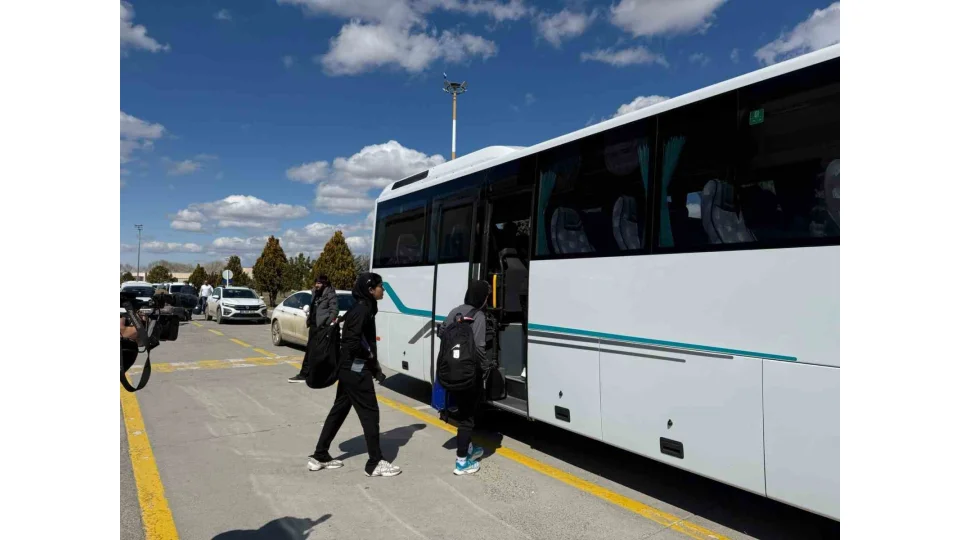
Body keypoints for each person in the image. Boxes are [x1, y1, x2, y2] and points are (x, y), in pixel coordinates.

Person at [308, 273, 401, 478]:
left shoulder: (363, 307)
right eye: (381, 286)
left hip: (349, 368)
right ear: (370, 290)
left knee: (339, 411)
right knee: (370, 414)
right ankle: (375, 462)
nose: (383, 290)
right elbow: (353, 342)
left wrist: (373, 367)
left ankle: (319, 455)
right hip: (355, 369)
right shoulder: (362, 309)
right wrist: (368, 360)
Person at [438, 279, 494, 475]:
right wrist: (485, 368)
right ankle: (462, 461)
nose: (487, 300)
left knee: (462, 411)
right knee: (467, 419)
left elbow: (441, 332)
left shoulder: (455, 311)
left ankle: (469, 448)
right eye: (487, 296)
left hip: (451, 370)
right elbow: (479, 348)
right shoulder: (479, 316)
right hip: (469, 374)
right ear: (482, 297)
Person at [289, 275, 339, 383]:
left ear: (325, 284)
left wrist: (325, 324)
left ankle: (309, 374)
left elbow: (334, 311)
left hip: (321, 328)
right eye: (316, 283)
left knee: (317, 352)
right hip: (313, 326)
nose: (317, 285)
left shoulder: (330, 294)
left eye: (319, 283)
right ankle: (307, 374)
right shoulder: (315, 293)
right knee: (310, 351)